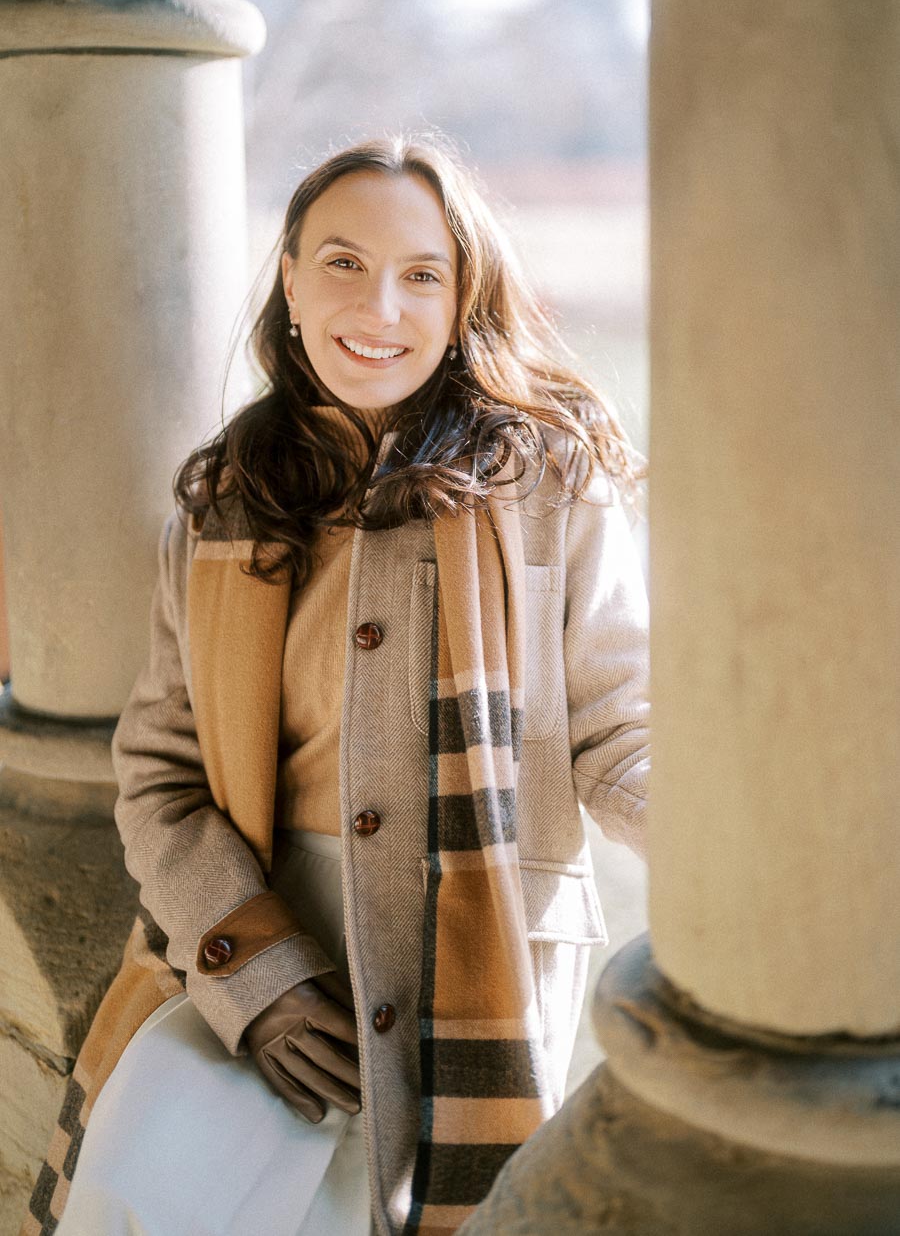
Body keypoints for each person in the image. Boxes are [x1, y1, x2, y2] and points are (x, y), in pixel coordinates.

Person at [27, 133, 650, 1236]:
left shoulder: (553, 477)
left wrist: (765, 871)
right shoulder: (227, 498)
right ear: (290, 277)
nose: (382, 307)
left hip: (479, 946)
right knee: (140, 1205)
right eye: (345, 263)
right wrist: (248, 969)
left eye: (423, 274)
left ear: (466, 297)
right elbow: (160, 775)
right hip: (264, 942)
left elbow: (618, 728)